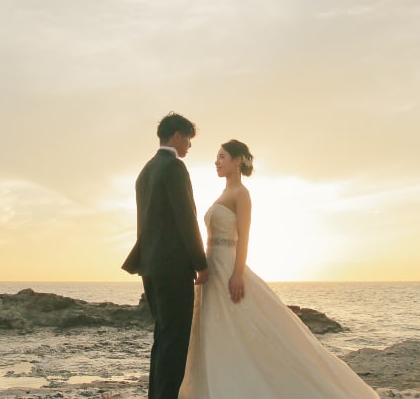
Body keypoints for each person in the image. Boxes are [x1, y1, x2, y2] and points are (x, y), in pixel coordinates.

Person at [179, 140, 379, 399]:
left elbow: (245, 236)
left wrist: (238, 273)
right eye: (216, 158)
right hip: (211, 266)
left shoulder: (241, 193)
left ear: (237, 160)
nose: (217, 162)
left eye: (222, 157)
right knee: (215, 328)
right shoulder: (221, 195)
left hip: (228, 265)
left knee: (244, 325)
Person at [123, 112, 210, 399]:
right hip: (173, 267)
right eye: (188, 139)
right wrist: (201, 263)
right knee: (176, 342)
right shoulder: (174, 167)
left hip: (149, 266)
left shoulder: (145, 171)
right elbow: (186, 218)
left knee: (162, 339)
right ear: (176, 136)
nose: (189, 146)